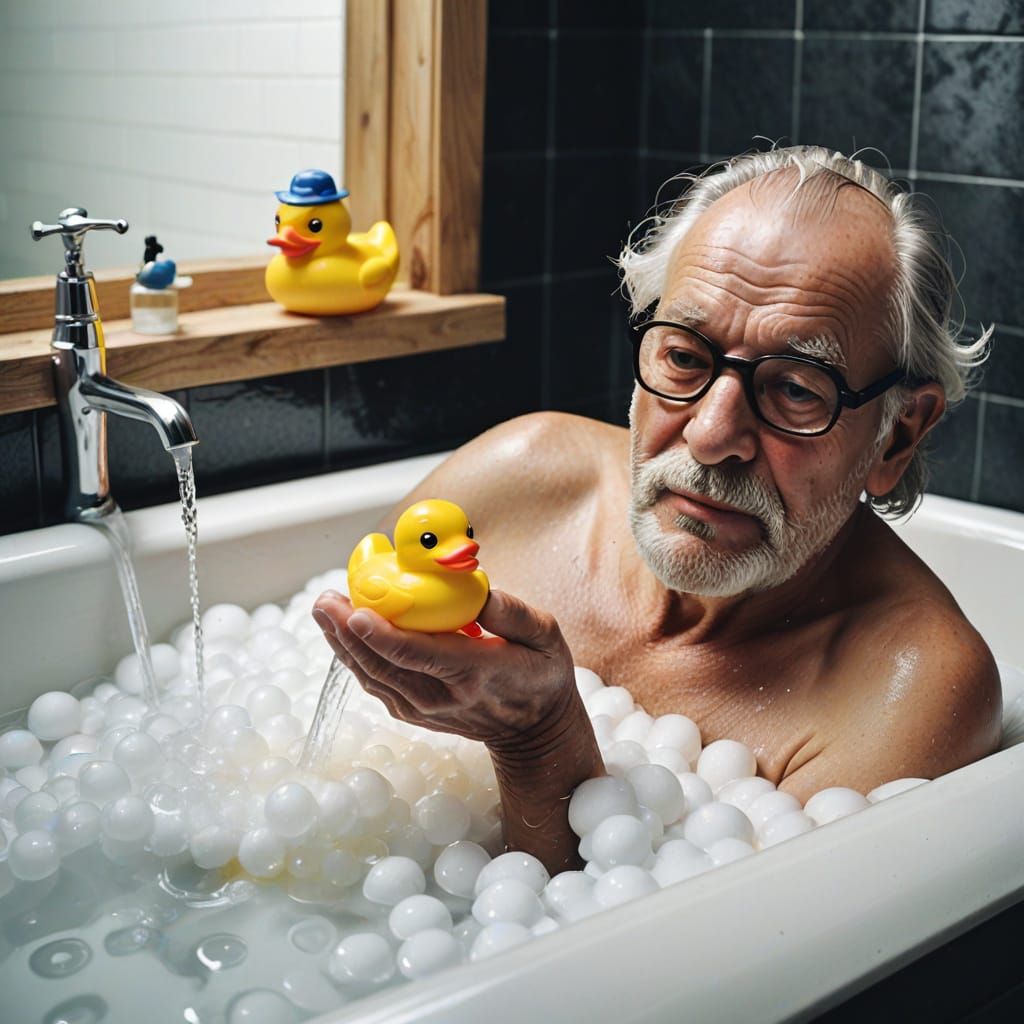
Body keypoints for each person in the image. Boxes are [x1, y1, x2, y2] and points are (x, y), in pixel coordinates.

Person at [312, 146, 1002, 873]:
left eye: (796, 389)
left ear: (896, 433)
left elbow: (691, 968)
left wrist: (541, 743)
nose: (711, 435)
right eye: (684, 358)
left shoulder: (912, 689)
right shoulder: (513, 486)